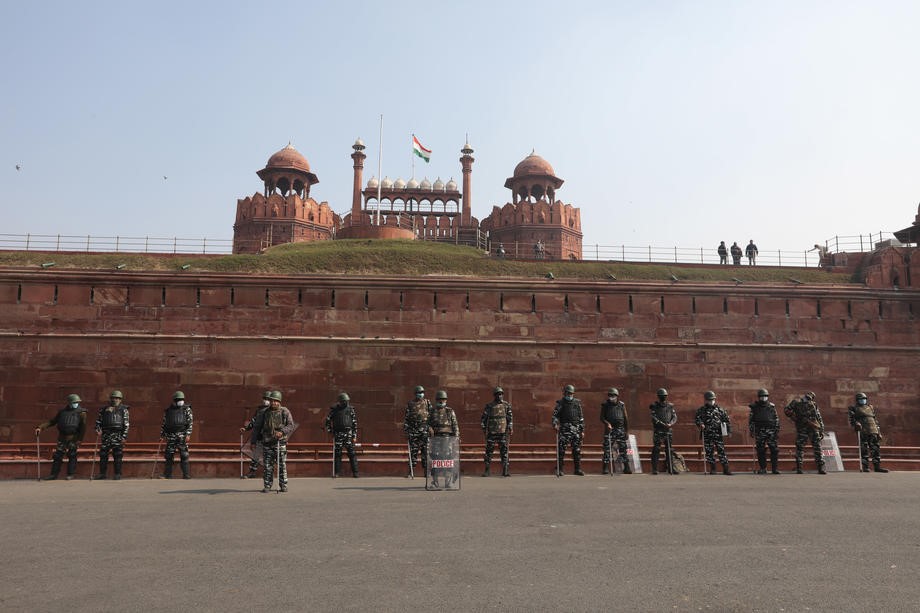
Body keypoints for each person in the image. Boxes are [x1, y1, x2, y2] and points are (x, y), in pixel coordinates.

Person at [35, 393, 87, 480]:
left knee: (72, 455)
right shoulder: (62, 412)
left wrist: (79, 439)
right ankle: (53, 474)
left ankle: (70, 474)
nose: (76, 403)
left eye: (77, 402)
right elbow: (52, 422)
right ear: (69, 403)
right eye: (74, 402)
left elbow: (83, 428)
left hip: (73, 438)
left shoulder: (81, 413)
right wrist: (40, 427)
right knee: (58, 456)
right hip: (62, 437)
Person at [258, 390, 295, 492]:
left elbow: (291, 425)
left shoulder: (285, 411)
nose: (274, 403)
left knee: (282, 465)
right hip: (267, 443)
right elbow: (258, 427)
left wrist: (282, 432)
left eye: (276, 401)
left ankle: (283, 485)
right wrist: (254, 441)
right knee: (267, 466)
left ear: (280, 401)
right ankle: (267, 485)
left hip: (280, 442)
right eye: (272, 400)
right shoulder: (264, 412)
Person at [784, 391, 826, 474]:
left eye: (811, 396)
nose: (810, 397)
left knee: (817, 447)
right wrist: (795, 418)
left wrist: (821, 429)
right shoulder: (796, 403)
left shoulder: (814, 404)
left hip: (813, 428)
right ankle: (799, 467)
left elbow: (818, 417)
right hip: (802, 428)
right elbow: (786, 410)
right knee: (800, 447)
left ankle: (820, 468)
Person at [848, 392, 888, 473]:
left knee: (875, 449)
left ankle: (877, 467)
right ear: (857, 400)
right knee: (864, 449)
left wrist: (879, 432)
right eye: (861, 399)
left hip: (873, 430)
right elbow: (852, 420)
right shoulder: (854, 408)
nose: (863, 400)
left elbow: (875, 421)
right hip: (863, 431)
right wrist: (856, 424)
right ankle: (865, 467)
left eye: (864, 399)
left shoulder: (870, 407)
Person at [94, 390, 130, 480]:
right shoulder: (104, 409)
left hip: (117, 435)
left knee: (118, 455)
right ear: (110, 399)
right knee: (103, 455)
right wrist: (98, 430)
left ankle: (117, 474)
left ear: (120, 399)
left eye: (117, 398)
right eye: (114, 398)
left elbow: (126, 424)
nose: (115, 400)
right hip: (106, 435)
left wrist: (124, 436)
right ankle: (102, 474)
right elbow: (98, 422)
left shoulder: (124, 410)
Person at [427, 390, 459, 487]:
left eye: (443, 399)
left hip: (448, 439)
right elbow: (427, 424)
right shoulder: (432, 411)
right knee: (435, 459)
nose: (441, 401)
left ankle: (448, 481)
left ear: (446, 400)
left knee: (448, 460)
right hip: (436, 438)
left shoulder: (450, 411)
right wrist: (429, 428)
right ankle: (435, 481)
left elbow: (455, 425)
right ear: (436, 400)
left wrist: (456, 437)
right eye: (439, 399)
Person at [694, 391, 732, 475]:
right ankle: (713, 468)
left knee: (721, 451)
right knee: (709, 452)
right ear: (706, 400)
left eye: (712, 400)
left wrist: (729, 431)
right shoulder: (701, 410)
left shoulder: (720, 410)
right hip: (707, 434)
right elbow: (697, 419)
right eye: (709, 400)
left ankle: (726, 469)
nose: (711, 401)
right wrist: (701, 424)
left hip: (718, 434)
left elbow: (727, 420)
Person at [552, 384, 585, 476]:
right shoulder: (560, 403)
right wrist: (555, 424)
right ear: (564, 393)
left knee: (577, 450)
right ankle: (560, 469)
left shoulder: (577, 403)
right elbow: (555, 416)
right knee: (562, 450)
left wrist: (582, 430)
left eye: (571, 393)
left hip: (576, 429)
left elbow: (581, 418)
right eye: (567, 393)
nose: (569, 395)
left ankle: (577, 469)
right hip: (564, 429)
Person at [159, 391, 193, 479]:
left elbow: (190, 423)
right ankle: (167, 474)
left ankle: (186, 474)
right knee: (169, 456)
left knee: (184, 455)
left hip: (182, 436)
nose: (181, 401)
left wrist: (188, 434)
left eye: (182, 399)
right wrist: (162, 435)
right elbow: (164, 424)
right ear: (174, 400)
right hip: (171, 436)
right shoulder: (168, 411)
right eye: (178, 399)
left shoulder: (186, 409)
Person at [480, 386, 513, 477]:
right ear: (494, 395)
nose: (499, 396)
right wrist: (483, 427)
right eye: (498, 394)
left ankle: (505, 470)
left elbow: (509, 418)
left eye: (501, 394)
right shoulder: (489, 406)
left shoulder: (506, 405)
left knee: (504, 452)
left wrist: (510, 427)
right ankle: (487, 470)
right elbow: (484, 418)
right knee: (489, 452)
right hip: (492, 432)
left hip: (502, 432)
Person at [325, 392, 359, 478]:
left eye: (347, 401)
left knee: (352, 453)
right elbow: (327, 421)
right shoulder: (334, 410)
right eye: (344, 401)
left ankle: (355, 472)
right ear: (340, 401)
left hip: (348, 434)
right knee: (337, 454)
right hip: (338, 434)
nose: (346, 403)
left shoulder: (351, 410)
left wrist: (354, 436)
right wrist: (330, 431)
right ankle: (337, 473)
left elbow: (354, 423)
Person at [240, 390, 272, 479]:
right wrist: (246, 428)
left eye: (268, 399)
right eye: (264, 398)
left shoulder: (274, 410)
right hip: (260, 436)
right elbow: (254, 421)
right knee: (256, 456)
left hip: (270, 437)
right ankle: (252, 472)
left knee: (269, 457)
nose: (266, 400)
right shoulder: (259, 410)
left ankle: (268, 475)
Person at [748, 389, 780, 474]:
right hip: (759, 431)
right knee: (760, 450)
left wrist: (776, 430)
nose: (763, 398)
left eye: (765, 396)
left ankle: (774, 469)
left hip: (771, 431)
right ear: (759, 397)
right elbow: (751, 420)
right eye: (762, 396)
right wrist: (752, 431)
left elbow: (776, 418)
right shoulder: (754, 407)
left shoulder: (771, 407)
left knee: (774, 450)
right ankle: (763, 468)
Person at [600, 387, 631, 474]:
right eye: (610, 395)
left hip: (620, 429)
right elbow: (601, 418)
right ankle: (605, 468)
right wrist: (607, 423)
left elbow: (626, 418)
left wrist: (626, 431)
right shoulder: (605, 405)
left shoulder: (621, 405)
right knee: (607, 449)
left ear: (617, 396)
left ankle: (627, 467)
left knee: (623, 449)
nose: (611, 397)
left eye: (613, 395)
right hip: (610, 430)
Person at [403, 385, 431, 478]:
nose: (420, 394)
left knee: (425, 452)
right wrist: (406, 430)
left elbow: (431, 416)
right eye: (419, 393)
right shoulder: (410, 404)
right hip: (413, 432)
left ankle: (426, 472)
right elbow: (406, 418)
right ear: (415, 394)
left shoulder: (427, 403)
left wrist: (430, 427)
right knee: (413, 453)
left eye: (422, 392)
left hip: (424, 432)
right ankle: (410, 472)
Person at [649, 388, 678, 474]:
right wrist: (662, 424)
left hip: (668, 430)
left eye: (664, 396)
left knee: (669, 449)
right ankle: (655, 469)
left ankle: (671, 468)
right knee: (656, 449)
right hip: (659, 430)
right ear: (658, 397)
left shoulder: (670, 406)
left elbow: (674, 417)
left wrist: (671, 424)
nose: (663, 397)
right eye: (662, 396)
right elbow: (654, 418)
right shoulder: (654, 406)